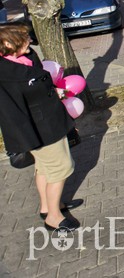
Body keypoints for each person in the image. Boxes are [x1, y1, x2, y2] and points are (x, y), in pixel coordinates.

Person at [0, 23, 82, 231]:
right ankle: (54, 218)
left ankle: (49, 206)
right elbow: (12, 110)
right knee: (60, 167)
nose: (29, 40)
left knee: (44, 168)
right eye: (24, 37)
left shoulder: (26, 58)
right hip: (41, 129)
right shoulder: (7, 74)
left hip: (47, 123)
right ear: (9, 43)